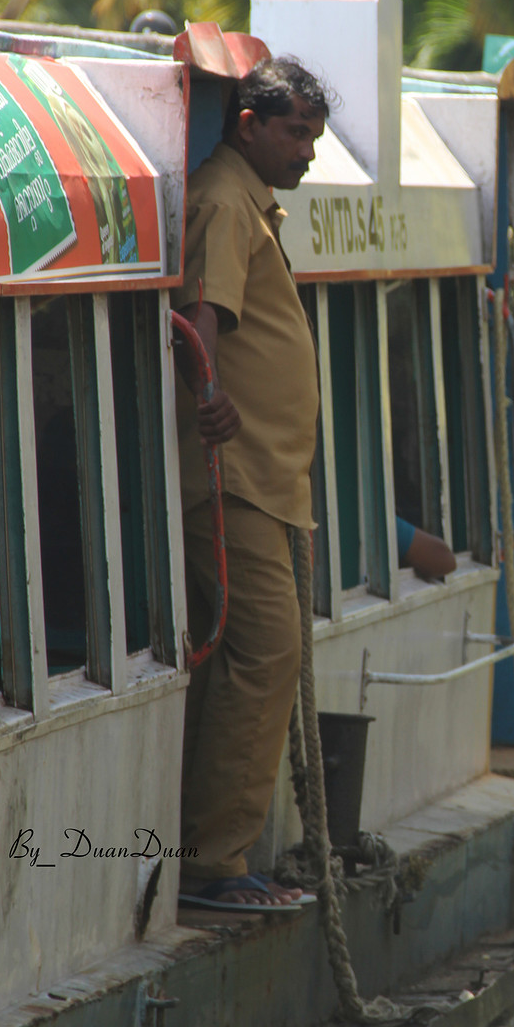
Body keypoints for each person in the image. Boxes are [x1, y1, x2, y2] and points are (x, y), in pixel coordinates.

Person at [174, 57, 329, 912]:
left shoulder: (251, 203)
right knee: (268, 650)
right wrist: (208, 394)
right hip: (232, 476)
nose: (305, 151)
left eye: (312, 134)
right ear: (248, 123)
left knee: (244, 655)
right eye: (295, 131)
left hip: (265, 479)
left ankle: (208, 845)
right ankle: (212, 861)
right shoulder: (226, 199)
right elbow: (200, 314)